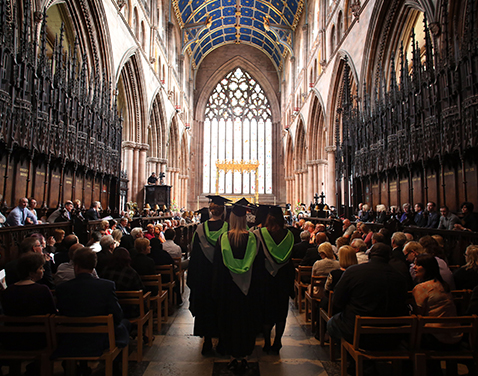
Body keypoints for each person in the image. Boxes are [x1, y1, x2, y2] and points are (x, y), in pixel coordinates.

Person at [54, 248, 130, 367]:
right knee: (124, 324)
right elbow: (117, 315)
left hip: (71, 339)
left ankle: (79, 367)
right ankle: (116, 365)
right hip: (100, 339)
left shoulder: (62, 288)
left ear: (76, 266)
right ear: (94, 266)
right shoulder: (106, 286)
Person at [327, 243, 409, 348]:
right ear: (389, 257)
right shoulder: (399, 277)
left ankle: (351, 359)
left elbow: (337, 301)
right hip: (392, 335)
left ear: (369, 256)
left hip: (359, 334)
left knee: (331, 324)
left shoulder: (353, 271)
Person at [212, 199, 261, 371]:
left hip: (228, 289)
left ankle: (232, 355)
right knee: (246, 321)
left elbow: (217, 267)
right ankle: (245, 355)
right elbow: (258, 268)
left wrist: (217, 290)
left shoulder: (223, 239)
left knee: (229, 320)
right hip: (248, 290)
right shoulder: (253, 239)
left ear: (231, 219)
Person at [0, 253, 57, 375]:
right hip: (38, 340)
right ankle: (36, 369)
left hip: (12, 340)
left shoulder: (8, 291)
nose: (43, 270)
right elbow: (52, 313)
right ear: (31, 273)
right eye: (40, 268)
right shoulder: (42, 290)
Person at [187, 195, 230, 354]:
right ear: (223, 211)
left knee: (205, 308)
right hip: (222, 275)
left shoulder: (199, 229)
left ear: (210, 211)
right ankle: (221, 343)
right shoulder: (228, 229)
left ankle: (206, 342)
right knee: (221, 307)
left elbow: (195, 255)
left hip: (204, 277)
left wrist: (194, 279)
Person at [254, 205, 294, 354]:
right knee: (281, 313)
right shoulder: (289, 235)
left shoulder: (260, 234)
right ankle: (277, 341)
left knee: (266, 313)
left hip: (266, 279)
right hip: (283, 280)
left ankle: (266, 342)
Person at [412, 253, 462, 374]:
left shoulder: (422, 288)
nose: (414, 267)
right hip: (455, 336)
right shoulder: (444, 285)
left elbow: (419, 314)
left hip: (436, 338)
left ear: (427, 268)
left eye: (418, 265)